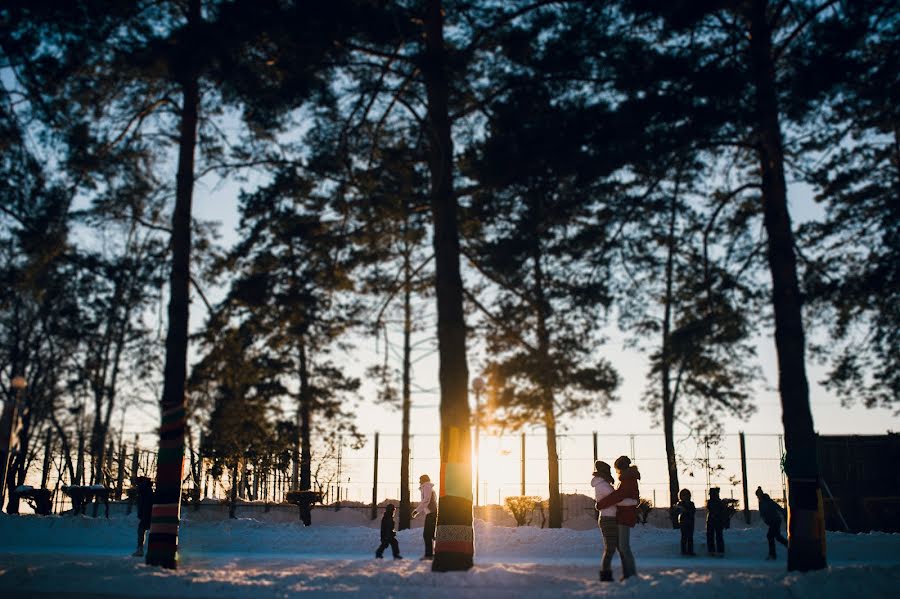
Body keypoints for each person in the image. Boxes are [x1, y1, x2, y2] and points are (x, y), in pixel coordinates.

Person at [595, 455, 640, 580]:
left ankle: (630, 575)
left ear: (620, 468)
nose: (616, 472)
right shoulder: (627, 479)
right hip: (621, 517)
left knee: (623, 547)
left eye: (616, 469)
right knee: (621, 547)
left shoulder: (627, 480)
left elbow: (617, 497)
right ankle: (628, 575)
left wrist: (600, 504)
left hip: (624, 517)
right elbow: (618, 497)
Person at [591, 460, 619, 582]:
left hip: (608, 517)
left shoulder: (602, 484)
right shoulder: (604, 485)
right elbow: (616, 499)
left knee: (612, 547)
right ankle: (605, 574)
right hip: (609, 518)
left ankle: (606, 573)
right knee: (611, 548)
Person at [756, 486, 788, 559]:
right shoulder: (761, 502)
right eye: (757, 496)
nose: (758, 497)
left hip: (775, 521)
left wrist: (784, 511)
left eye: (758, 495)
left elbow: (777, 507)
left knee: (770, 536)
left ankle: (772, 555)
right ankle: (789, 546)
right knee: (777, 537)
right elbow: (763, 513)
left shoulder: (768, 501)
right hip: (772, 522)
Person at [412, 474, 437, 560]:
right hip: (431, 513)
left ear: (423, 480)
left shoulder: (426, 486)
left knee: (427, 534)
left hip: (431, 513)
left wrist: (416, 511)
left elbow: (426, 500)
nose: (419, 482)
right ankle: (431, 554)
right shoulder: (427, 487)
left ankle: (429, 555)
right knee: (430, 535)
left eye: (420, 480)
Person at [133, 476, 153, 557]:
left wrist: (142, 513)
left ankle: (140, 549)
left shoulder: (144, 490)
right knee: (142, 530)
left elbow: (144, 504)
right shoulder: (145, 490)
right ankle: (141, 549)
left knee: (141, 530)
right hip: (147, 514)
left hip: (147, 514)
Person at [675, 488, 696, 556]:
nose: (686, 497)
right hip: (683, 521)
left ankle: (690, 551)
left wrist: (686, 510)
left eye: (687, 495)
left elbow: (693, 511)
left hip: (690, 521)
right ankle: (683, 551)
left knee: (690, 537)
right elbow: (677, 512)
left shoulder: (691, 504)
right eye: (684, 495)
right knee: (684, 537)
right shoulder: (680, 504)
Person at [706, 487, 726, 556]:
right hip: (714, 520)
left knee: (715, 535)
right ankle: (717, 550)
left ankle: (714, 550)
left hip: (714, 520)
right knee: (715, 535)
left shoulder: (716, 502)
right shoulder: (718, 502)